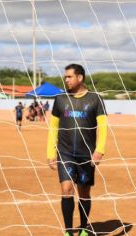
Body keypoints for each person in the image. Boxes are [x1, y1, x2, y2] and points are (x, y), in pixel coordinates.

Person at [47, 64, 108, 236]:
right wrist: (51, 153)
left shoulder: (95, 99)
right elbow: (53, 127)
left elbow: (103, 127)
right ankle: (68, 231)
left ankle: (82, 229)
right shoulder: (60, 99)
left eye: (69, 76)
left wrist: (99, 150)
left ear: (80, 78)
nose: (66, 79)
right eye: (65, 76)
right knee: (66, 189)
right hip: (65, 153)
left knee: (84, 191)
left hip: (86, 154)